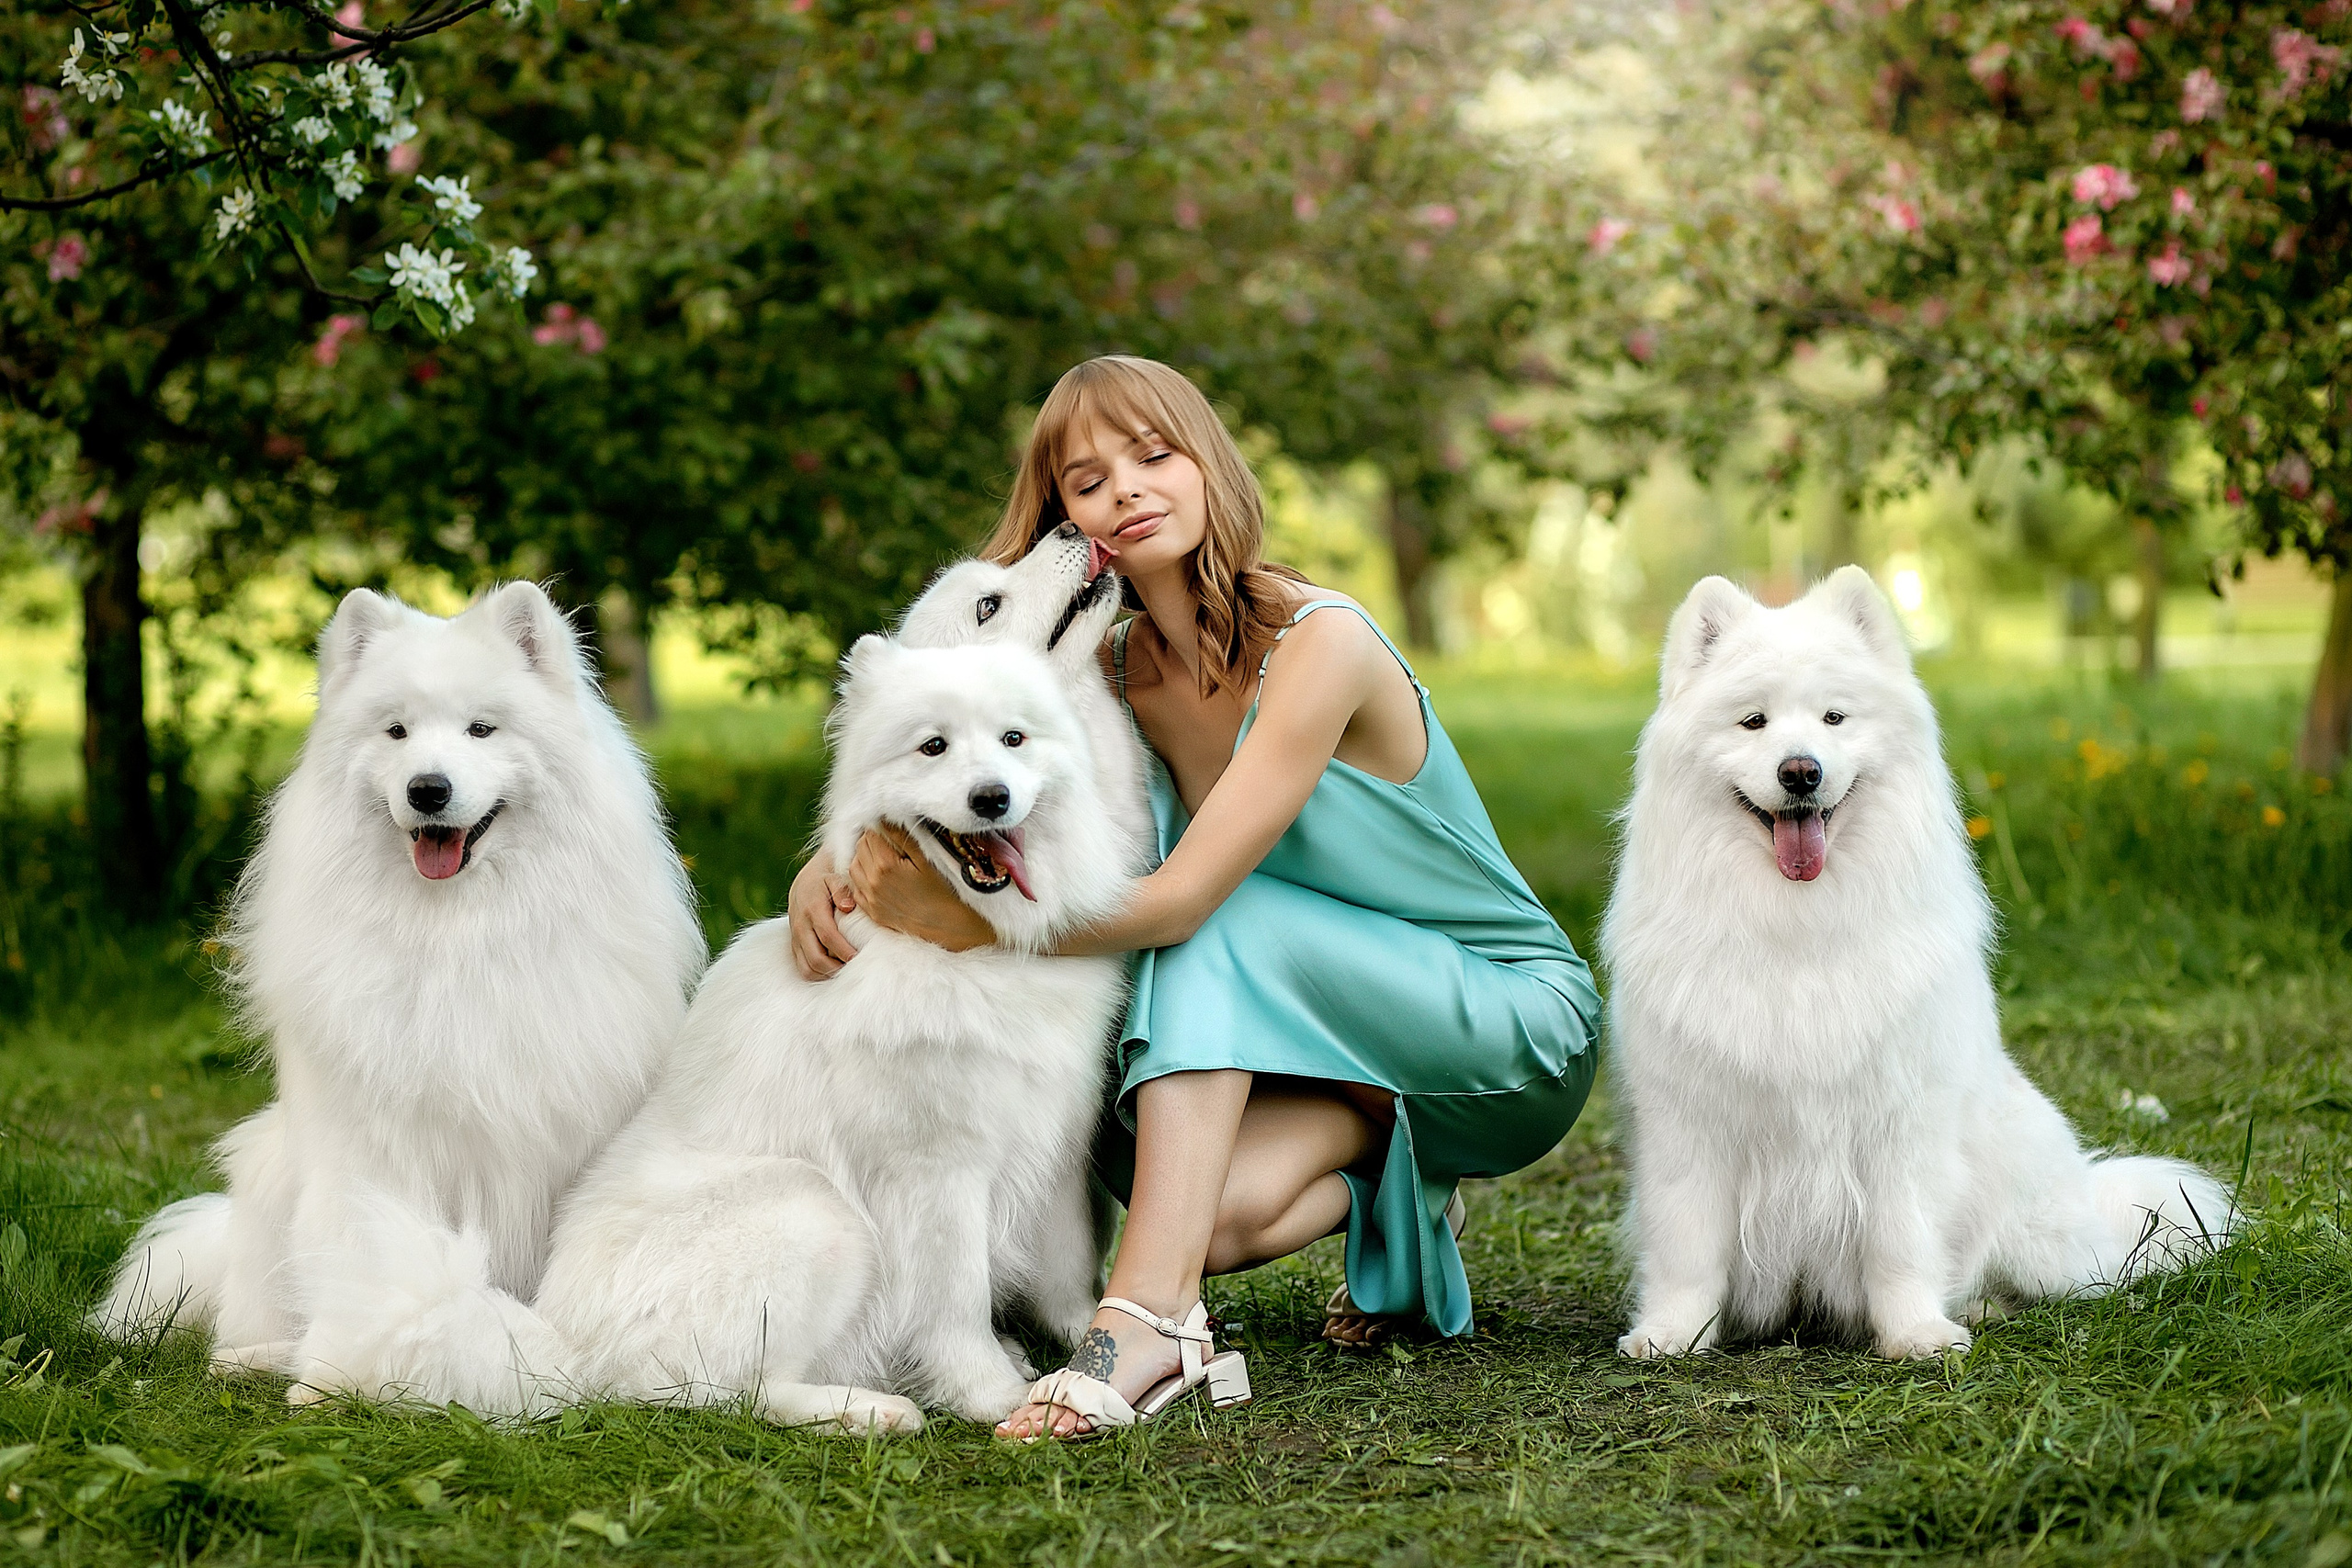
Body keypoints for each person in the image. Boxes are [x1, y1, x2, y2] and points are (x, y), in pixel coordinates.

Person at [786, 355, 1600, 1439]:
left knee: (1206, 924)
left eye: (1153, 455)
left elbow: (1180, 904)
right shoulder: (1113, 670)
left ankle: (1148, 1328)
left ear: (1209, 467)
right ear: (1063, 521)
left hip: (1505, 1024)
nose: (1123, 489)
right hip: (1335, 1043)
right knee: (1171, 1187)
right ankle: (1398, 1182)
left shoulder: (1323, 644)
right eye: (1086, 480)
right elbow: (952, 706)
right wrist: (837, 855)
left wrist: (981, 928)